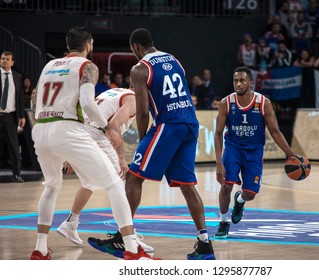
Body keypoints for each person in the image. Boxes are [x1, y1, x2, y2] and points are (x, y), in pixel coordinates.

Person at [87, 28, 216, 260]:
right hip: (190, 123)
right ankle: (205, 244)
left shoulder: (140, 68)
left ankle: (122, 237)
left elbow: (143, 110)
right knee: (188, 186)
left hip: (168, 125)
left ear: (136, 47)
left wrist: (144, 140)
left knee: (134, 177)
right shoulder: (175, 60)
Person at [30, 26, 156, 260]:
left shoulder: (49, 65)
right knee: (117, 183)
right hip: (74, 129)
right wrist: (107, 128)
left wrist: (45, 131)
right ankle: (130, 245)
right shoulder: (87, 66)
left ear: (68, 46)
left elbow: (34, 102)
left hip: (41, 130)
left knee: (53, 186)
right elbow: (88, 103)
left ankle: (41, 248)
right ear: (89, 45)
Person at [55, 87, 154, 256]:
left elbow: (86, 112)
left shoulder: (113, 91)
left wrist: (74, 151)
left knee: (89, 182)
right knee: (123, 184)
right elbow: (114, 125)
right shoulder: (133, 99)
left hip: (81, 133)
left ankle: (70, 223)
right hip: (99, 136)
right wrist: (121, 157)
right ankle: (128, 237)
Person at [214, 66, 295, 238]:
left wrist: (290, 154)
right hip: (233, 149)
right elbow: (218, 133)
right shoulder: (226, 103)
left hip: (254, 152)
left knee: (250, 194)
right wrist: (218, 163)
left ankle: (240, 201)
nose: (238, 83)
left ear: (250, 83)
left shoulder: (263, 102)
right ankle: (223, 222)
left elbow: (275, 131)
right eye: (235, 80)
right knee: (226, 186)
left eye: (242, 80)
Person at [0, 51, 25, 182]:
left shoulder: (17, 76)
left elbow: (20, 98)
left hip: (10, 116)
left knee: (13, 146)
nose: (4, 61)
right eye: (3, 58)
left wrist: (22, 116)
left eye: (7, 59)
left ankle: (17, 174)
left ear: (12, 62)